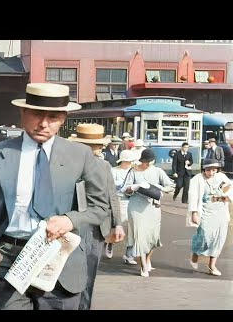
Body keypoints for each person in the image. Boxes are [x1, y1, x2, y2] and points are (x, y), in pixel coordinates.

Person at [0, 83, 110, 310]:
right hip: (5, 260)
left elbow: (100, 207)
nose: (44, 123)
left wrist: (70, 220)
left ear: (63, 118)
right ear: (23, 113)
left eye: (53, 117)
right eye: (37, 114)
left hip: (60, 260)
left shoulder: (80, 155)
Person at [68, 124, 125, 310]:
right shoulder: (66, 163)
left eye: (97, 146)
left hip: (95, 228)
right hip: (72, 224)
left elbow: (112, 195)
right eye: (94, 146)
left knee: (89, 273)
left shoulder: (104, 165)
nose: (97, 150)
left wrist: (117, 223)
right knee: (69, 272)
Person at [122, 149, 175, 277]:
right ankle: (143, 265)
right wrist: (134, 187)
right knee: (140, 236)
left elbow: (170, 185)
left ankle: (148, 259)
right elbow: (124, 189)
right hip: (136, 207)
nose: (147, 165)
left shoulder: (158, 171)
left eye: (149, 162)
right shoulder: (133, 171)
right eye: (145, 162)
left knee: (152, 237)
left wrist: (159, 189)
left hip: (153, 207)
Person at [187, 159, 232, 276]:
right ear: (204, 169)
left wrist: (224, 196)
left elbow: (230, 190)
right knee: (205, 236)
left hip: (221, 211)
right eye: (208, 170)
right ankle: (195, 253)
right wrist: (194, 212)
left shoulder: (221, 177)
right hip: (206, 211)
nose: (211, 173)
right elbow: (193, 197)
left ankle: (212, 266)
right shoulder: (197, 179)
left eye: (213, 170)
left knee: (219, 238)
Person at [110, 150, 138, 265]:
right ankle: (110, 243)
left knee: (132, 229)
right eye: (129, 161)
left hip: (132, 201)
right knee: (117, 225)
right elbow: (110, 185)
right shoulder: (113, 170)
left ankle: (129, 254)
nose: (130, 163)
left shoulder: (134, 171)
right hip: (119, 201)